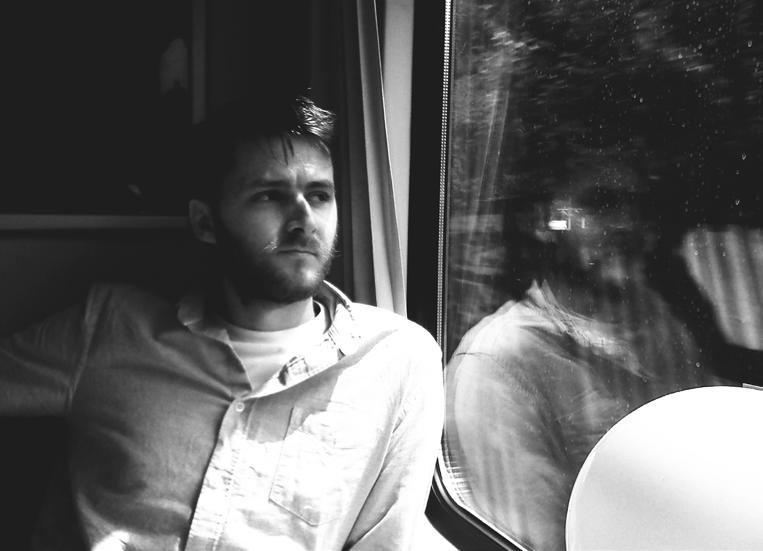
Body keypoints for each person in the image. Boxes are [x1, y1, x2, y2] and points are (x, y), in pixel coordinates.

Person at [0, 94, 444, 550]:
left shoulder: (397, 359)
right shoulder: (110, 326)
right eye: (269, 196)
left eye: (319, 195)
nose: (304, 221)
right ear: (206, 223)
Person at [443, 159, 744, 551]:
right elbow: (541, 539)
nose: (627, 223)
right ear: (540, 222)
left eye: (637, 206)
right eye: (600, 203)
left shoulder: (660, 324)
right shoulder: (497, 363)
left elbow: (720, 453)